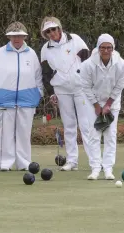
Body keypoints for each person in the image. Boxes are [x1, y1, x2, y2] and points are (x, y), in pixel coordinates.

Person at [0, 22, 43, 171]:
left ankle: (24, 163)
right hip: (4, 100)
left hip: (28, 100)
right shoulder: (0, 53)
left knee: (24, 133)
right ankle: (4, 163)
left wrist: (38, 93)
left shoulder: (31, 53)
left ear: (24, 36)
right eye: (13, 36)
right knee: (5, 133)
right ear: (8, 37)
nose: (16, 38)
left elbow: (38, 76)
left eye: (19, 36)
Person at [40, 16, 93, 171]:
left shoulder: (75, 40)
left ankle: (94, 160)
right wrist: (51, 93)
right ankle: (72, 161)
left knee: (86, 125)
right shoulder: (45, 49)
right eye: (48, 31)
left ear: (59, 28)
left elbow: (88, 62)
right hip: (61, 90)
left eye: (53, 29)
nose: (52, 33)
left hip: (80, 88)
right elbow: (46, 74)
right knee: (69, 125)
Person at [80, 33, 124, 180]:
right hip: (92, 102)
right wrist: (96, 105)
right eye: (102, 47)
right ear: (98, 48)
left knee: (110, 135)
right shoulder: (87, 65)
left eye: (108, 47)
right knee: (93, 135)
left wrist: (108, 104)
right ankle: (95, 168)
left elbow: (120, 85)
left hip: (112, 103)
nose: (106, 50)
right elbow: (86, 86)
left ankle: (108, 169)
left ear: (113, 48)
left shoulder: (122, 65)